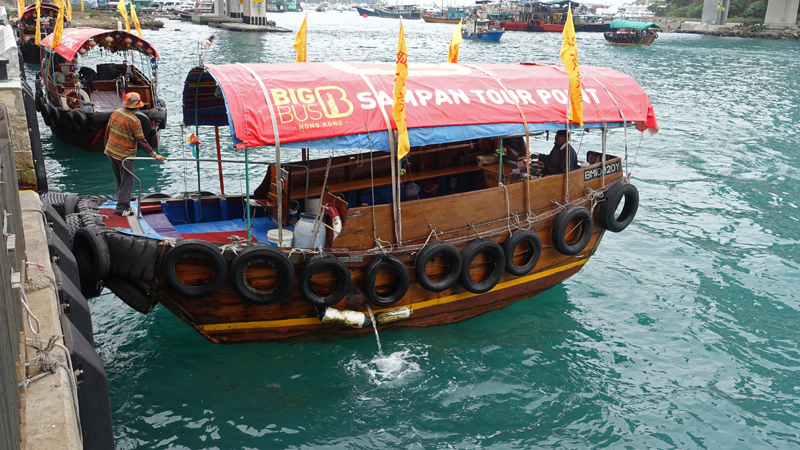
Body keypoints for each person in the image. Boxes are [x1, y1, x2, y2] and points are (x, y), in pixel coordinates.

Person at [105, 92, 166, 216]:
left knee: (119, 180)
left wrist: (105, 148)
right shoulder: (134, 121)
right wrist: (155, 155)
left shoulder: (115, 113)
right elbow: (142, 141)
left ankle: (120, 203)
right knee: (127, 182)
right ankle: (122, 209)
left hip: (111, 151)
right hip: (124, 156)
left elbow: (108, 130)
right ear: (138, 107)